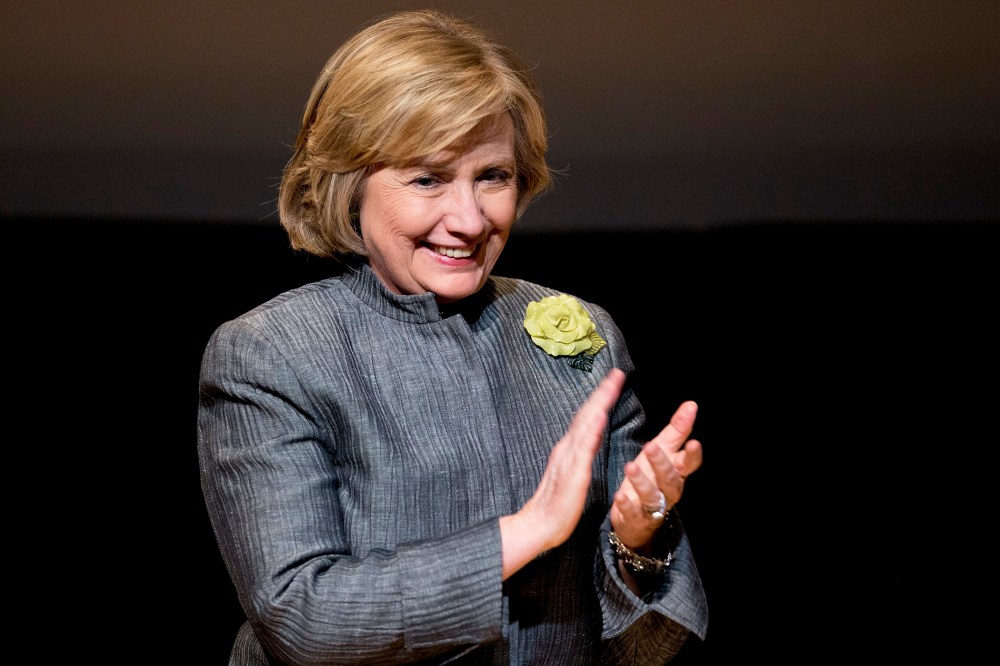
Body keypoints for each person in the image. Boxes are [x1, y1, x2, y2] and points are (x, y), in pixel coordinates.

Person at [197, 8, 708, 665]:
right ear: (350, 183)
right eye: (428, 178)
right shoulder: (271, 354)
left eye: (492, 176)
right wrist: (523, 533)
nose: (468, 219)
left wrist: (637, 540)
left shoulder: (584, 338)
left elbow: (646, 651)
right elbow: (303, 620)